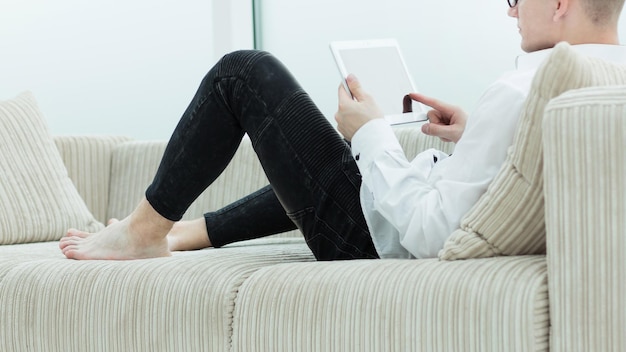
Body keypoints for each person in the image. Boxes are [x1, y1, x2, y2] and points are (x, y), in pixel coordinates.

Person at [60, 0, 625, 261]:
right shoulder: (604, 78)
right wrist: (476, 133)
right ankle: (178, 234)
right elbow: (527, 160)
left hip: (375, 243)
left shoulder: (520, 89)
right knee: (336, 161)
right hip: (399, 220)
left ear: (558, 3)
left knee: (244, 73)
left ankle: (140, 231)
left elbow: (427, 234)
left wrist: (372, 131)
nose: (509, 12)